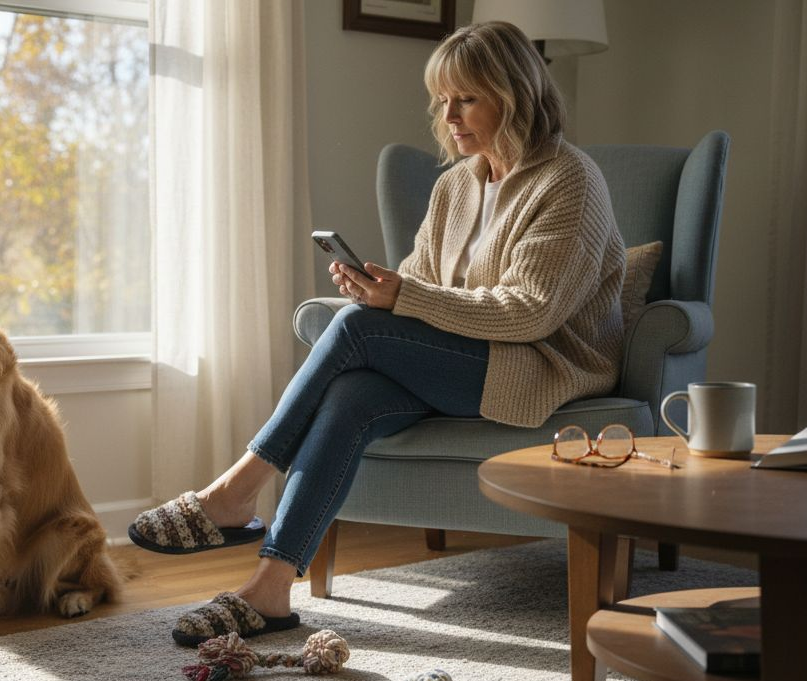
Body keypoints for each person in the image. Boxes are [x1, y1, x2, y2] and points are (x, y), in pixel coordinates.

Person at [129, 21, 626, 646]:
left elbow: (530, 312)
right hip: (463, 360)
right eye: (442, 100)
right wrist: (383, 289)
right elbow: (422, 281)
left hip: (538, 365)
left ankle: (234, 492)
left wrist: (398, 300)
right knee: (351, 396)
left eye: (466, 97)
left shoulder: (570, 181)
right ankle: (271, 589)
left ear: (516, 93)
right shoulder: (457, 183)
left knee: (359, 330)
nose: (449, 115)